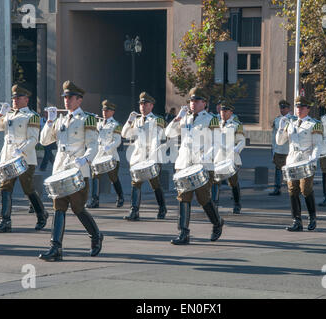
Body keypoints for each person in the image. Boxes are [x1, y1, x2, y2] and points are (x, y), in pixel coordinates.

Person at [38, 80, 103, 261]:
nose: (66, 100)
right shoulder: (59, 120)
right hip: (60, 171)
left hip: (77, 172)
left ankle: (96, 236)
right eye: (65, 97)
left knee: (78, 208)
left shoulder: (87, 119)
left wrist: (85, 160)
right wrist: (49, 122)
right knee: (59, 208)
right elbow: (44, 141)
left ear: (79, 100)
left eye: (70, 97)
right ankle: (55, 248)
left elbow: (93, 146)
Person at [165, 87, 224, 244]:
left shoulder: (211, 119)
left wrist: (207, 156)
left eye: (197, 101)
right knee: (183, 197)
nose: (193, 103)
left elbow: (218, 142)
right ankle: (184, 233)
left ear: (204, 103)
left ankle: (217, 223)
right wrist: (177, 118)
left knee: (203, 198)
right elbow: (168, 134)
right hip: (184, 164)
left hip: (203, 165)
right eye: (191, 101)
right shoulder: (185, 118)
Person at [0, 85, 48, 233]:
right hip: (8, 159)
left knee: (28, 189)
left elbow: (34, 139)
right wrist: (0, 114)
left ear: (26, 100)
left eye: (18, 98)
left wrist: (20, 150)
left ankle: (42, 214)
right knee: (5, 188)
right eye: (13, 98)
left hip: (25, 159)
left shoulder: (31, 116)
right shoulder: (9, 115)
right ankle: (5, 222)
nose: (14, 100)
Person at [276, 96, 323, 231]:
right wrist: (280, 127)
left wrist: (313, 159)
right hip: (292, 160)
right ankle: (296, 221)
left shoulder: (314, 124)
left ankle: (312, 217)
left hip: (306, 160)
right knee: (292, 190)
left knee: (306, 189)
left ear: (308, 109)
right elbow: (280, 142)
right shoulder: (290, 123)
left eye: (302, 107)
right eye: (297, 107)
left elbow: (317, 144)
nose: (299, 110)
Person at [121, 92, 168, 220]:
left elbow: (156, 138)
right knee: (136, 183)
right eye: (141, 104)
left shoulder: (157, 120)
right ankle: (134, 211)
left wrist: (151, 157)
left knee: (155, 184)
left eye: (145, 104)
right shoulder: (136, 120)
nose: (142, 106)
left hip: (152, 157)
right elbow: (125, 134)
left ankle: (162, 208)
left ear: (151, 105)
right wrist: (129, 120)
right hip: (138, 157)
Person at [87, 99, 124, 208]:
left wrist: (109, 146)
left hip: (111, 156)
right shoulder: (98, 124)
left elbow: (117, 141)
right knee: (95, 176)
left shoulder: (116, 125)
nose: (105, 112)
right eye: (103, 110)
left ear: (112, 112)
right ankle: (95, 200)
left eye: (107, 111)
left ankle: (120, 196)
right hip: (98, 156)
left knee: (113, 178)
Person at [213, 102, 245, 214]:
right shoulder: (215, 123)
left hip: (231, 158)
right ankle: (214, 203)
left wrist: (237, 149)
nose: (223, 113)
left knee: (233, 182)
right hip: (218, 158)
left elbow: (242, 141)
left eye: (225, 111)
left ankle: (237, 203)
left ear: (231, 112)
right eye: (222, 111)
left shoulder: (236, 125)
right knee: (215, 181)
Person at [270, 100, 296, 196]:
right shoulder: (277, 120)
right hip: (279, 149)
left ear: (288, 109)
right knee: (278, 169)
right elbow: (274, 136)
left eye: (284, 108)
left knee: (291, 170)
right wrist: (273, 148)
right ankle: (277, 188)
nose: (282, 110)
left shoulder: (293, 120)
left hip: (290, 150)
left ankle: (293, 188)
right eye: (281, 108)